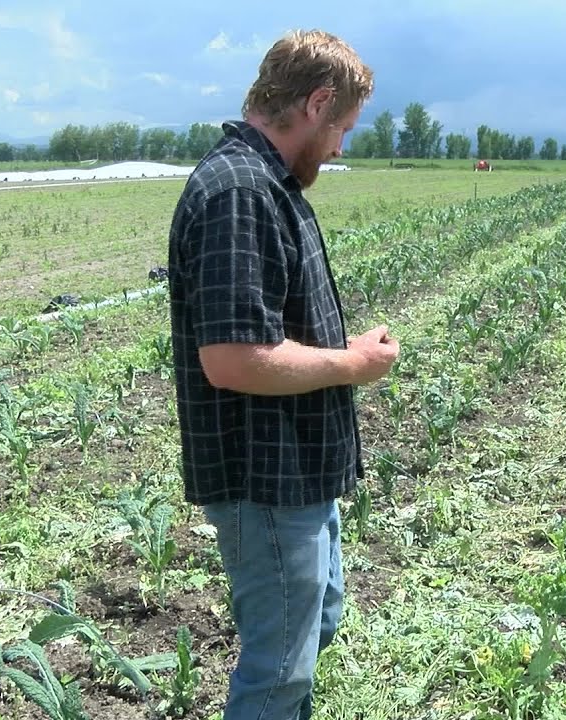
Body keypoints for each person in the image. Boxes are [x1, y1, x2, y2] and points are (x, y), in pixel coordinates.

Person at [166, 29, 399, 720]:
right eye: (342, 129)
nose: (339, 147)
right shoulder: (240, 190)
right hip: (265, 483)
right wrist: (352, 365)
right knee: (278, 675)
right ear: (317, 101)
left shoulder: (267, 182)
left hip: (298, 474)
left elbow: (267, 328)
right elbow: (233, 358)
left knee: (315, 627)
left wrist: (339, 345)